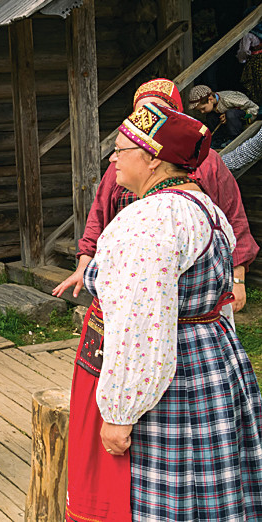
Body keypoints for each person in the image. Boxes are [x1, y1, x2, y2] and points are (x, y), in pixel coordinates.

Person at [66, 103, 262, 521]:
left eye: (121, 150)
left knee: (174, 496)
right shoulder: (201, 206)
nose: (113, 159)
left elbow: (141, 323)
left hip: (172, 377)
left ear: (153, 159)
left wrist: (119, 414)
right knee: (212, 488)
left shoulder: (151, 219)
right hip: (211, 360)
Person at [54, 77, 258, 313]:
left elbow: (232, 217)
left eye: (157, 111)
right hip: (130, 281)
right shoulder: (121, 163)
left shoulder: (206, 162)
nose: (148, 119)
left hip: (190, 283)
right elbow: (99, 215)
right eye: (142, 112)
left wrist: (237, 278)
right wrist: (84, 266)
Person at [188, 84, 259, 148]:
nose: (202, 112)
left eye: (203, 108)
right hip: (228, 124)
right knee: (211, 117)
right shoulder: (213, 105)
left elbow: (254, 108)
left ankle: (234, 139)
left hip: (245, 118)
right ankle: (219, 140)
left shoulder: (228, 99)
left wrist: (231, 114)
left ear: (210, 99)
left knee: (230, 114)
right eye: (199, 110)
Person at [238, 12, 262, 106]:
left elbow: (244, 50)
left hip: (256, 61)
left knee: (256, 84)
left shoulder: (249, 34)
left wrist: (242, 60)